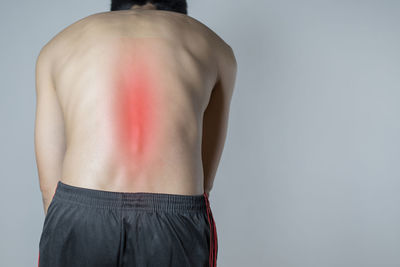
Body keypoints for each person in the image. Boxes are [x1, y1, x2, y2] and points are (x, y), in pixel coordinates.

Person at [34, 0, 237, 266]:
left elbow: (49, 187)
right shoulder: (215, 47)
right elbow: (204, 184)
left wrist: (68, 235)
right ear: (178, 10)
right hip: (173, 220)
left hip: (81, 216)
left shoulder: (57, 47)